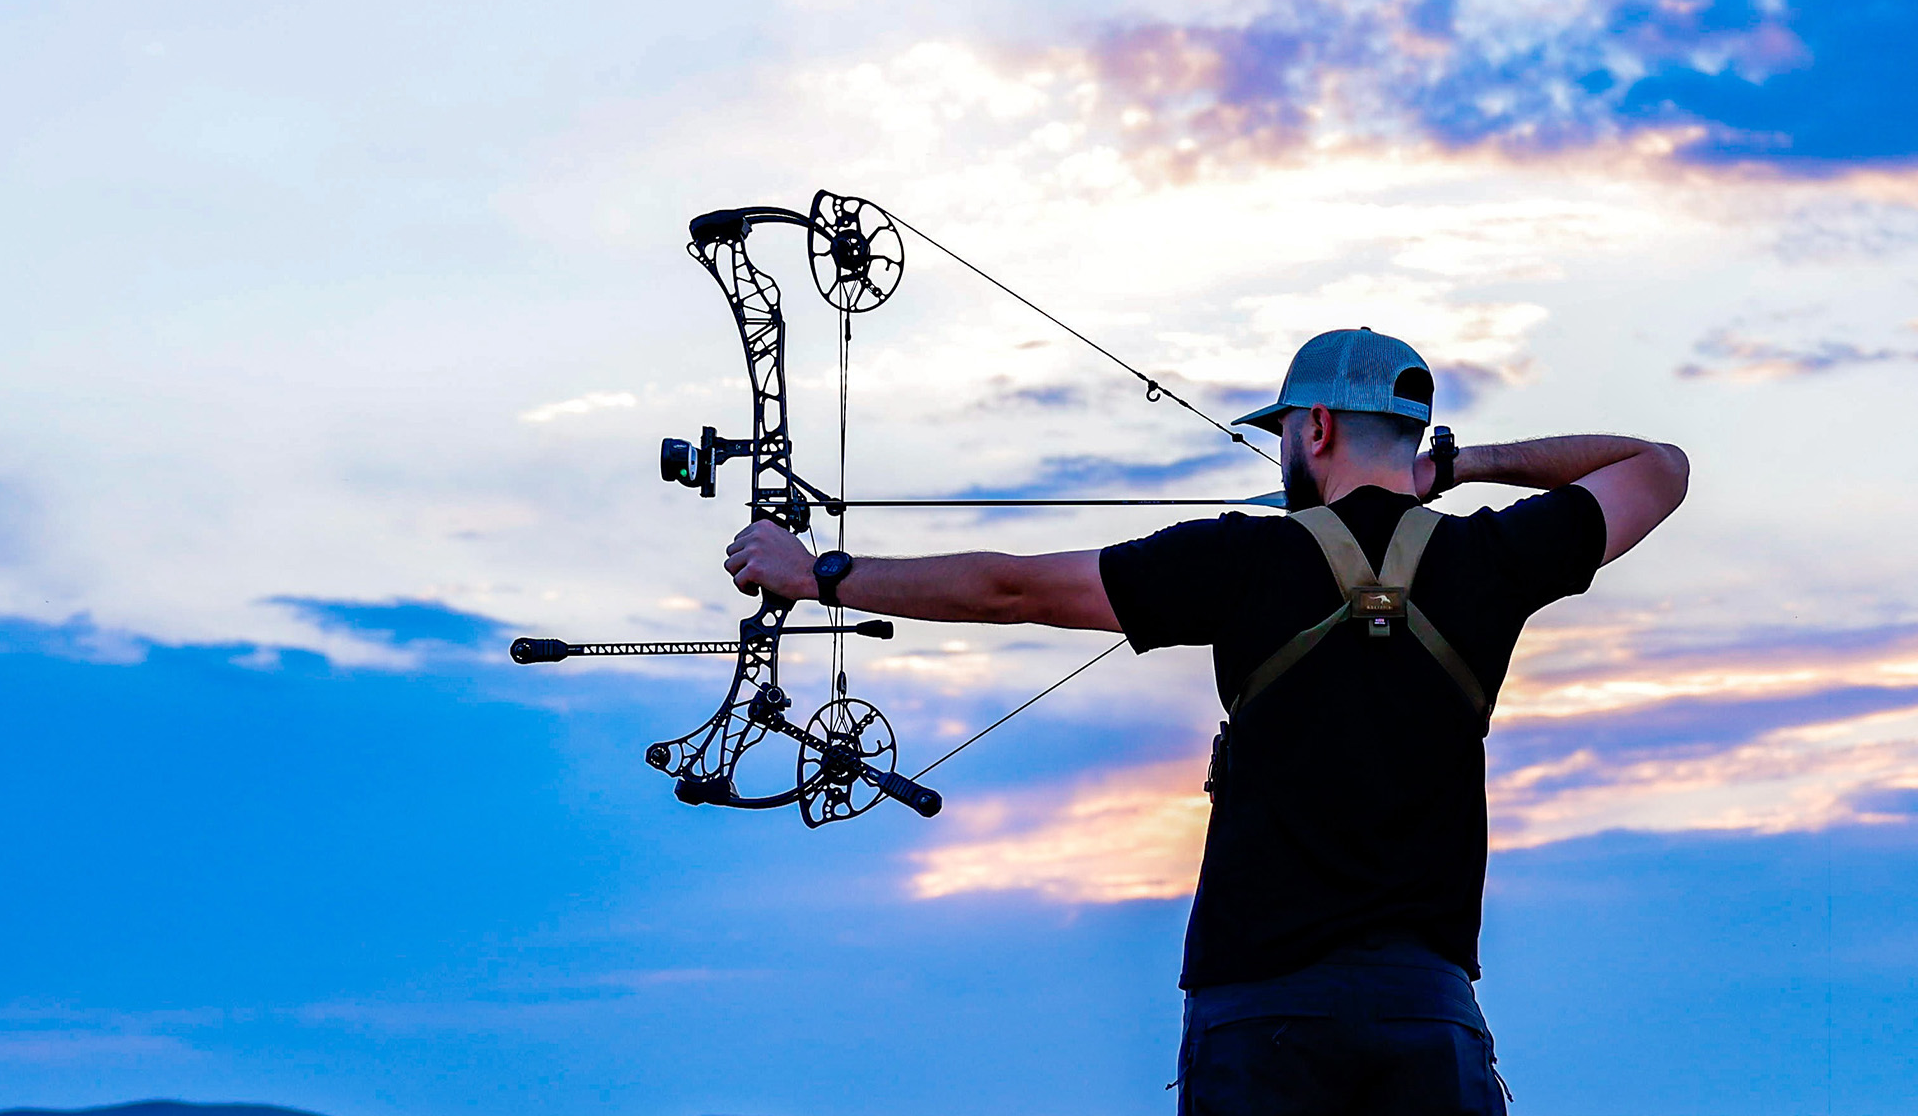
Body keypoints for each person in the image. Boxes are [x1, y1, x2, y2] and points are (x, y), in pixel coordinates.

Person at [724, 328, 1689, 1115]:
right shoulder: (1495, 559)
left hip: (1257, 1012)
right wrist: (1464, 464)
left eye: (1283, 432)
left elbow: (1011, 587)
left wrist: (816, 575)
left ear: (1314, 426)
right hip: (1423, 1014)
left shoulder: (1239, 562)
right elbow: (1661, 465)